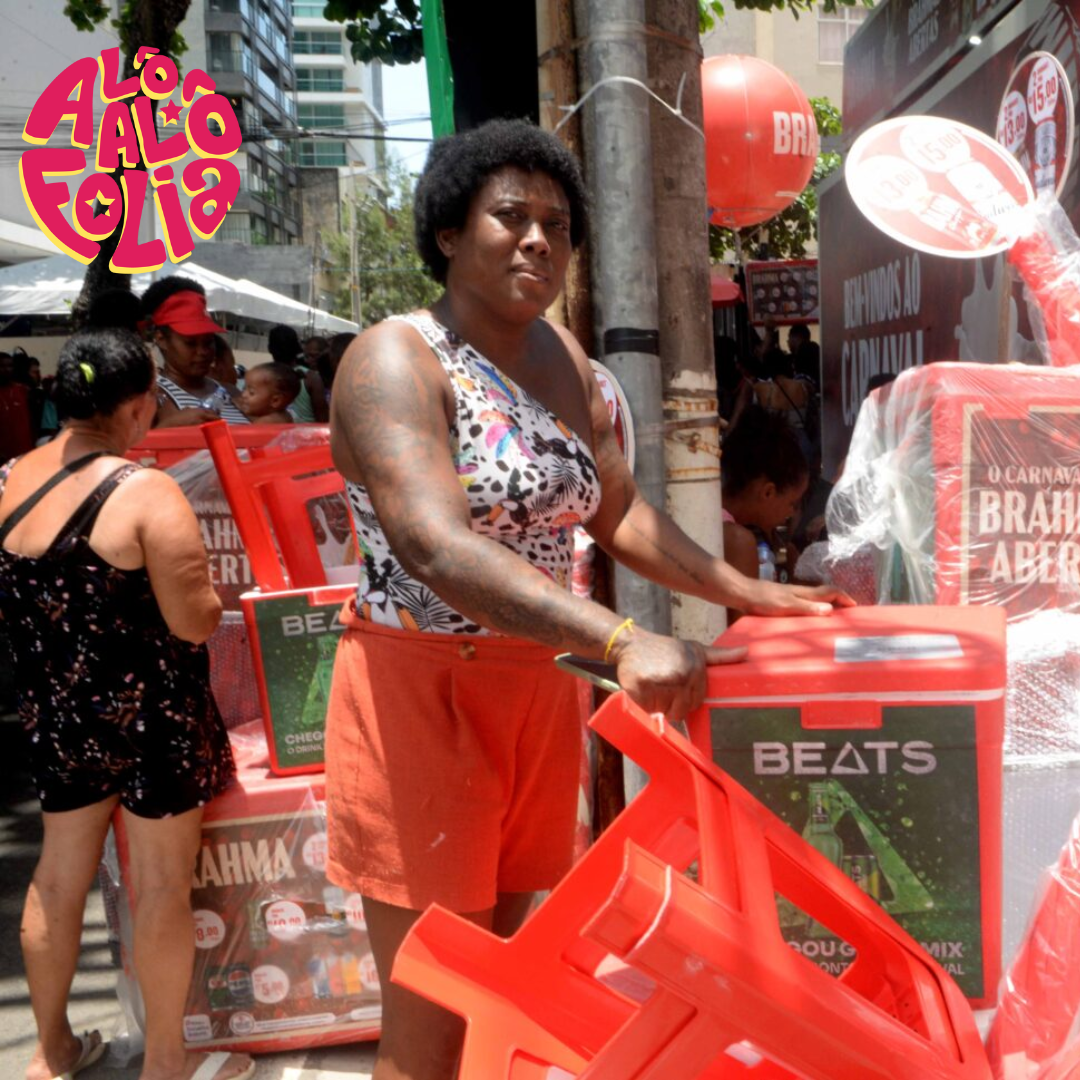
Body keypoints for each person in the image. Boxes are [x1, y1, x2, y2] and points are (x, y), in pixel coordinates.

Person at [325, 119, 852, 1080]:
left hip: (536, 692)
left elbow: (617, 517)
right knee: (431, 1011)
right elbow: (435, 545)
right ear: (449, 233)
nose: (538, 241)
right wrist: (618, 638)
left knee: (507, 981)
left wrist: (750, 593)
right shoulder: (395, 360)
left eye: (559, 226)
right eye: (510, 217)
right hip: (421, 696)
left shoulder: (573, 366)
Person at [0, 328, 252, 1080]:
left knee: (58, 878)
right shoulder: (145, 491)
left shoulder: (8, 478)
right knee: (163, 888)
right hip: (154, 722)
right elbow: (194, 620)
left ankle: (51, 1053)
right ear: (140, 406)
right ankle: (167, 1063)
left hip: (59, 718)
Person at [720, 409, 810, 623]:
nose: (792, 513)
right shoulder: (737, 540)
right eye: (792, 503)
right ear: (768, 492)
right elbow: (742, 631)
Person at [142, 277, 250, 427]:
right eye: (190, 343)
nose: (203, 352)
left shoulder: (231, 393)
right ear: (161, 339)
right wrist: (169, 428)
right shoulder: (152, 397)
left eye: (208, 342)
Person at [268, 325, 328, 423]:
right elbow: (323, 421)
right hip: (307, 437)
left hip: (274, 436)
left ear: (270, 349)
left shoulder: (262, 377)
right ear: (297, 347)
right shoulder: (312, 378)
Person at [0, 351, 35, 462]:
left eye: (10, 366)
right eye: (2, 366)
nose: (6, 370)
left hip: (24, 451)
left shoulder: (22, 390)